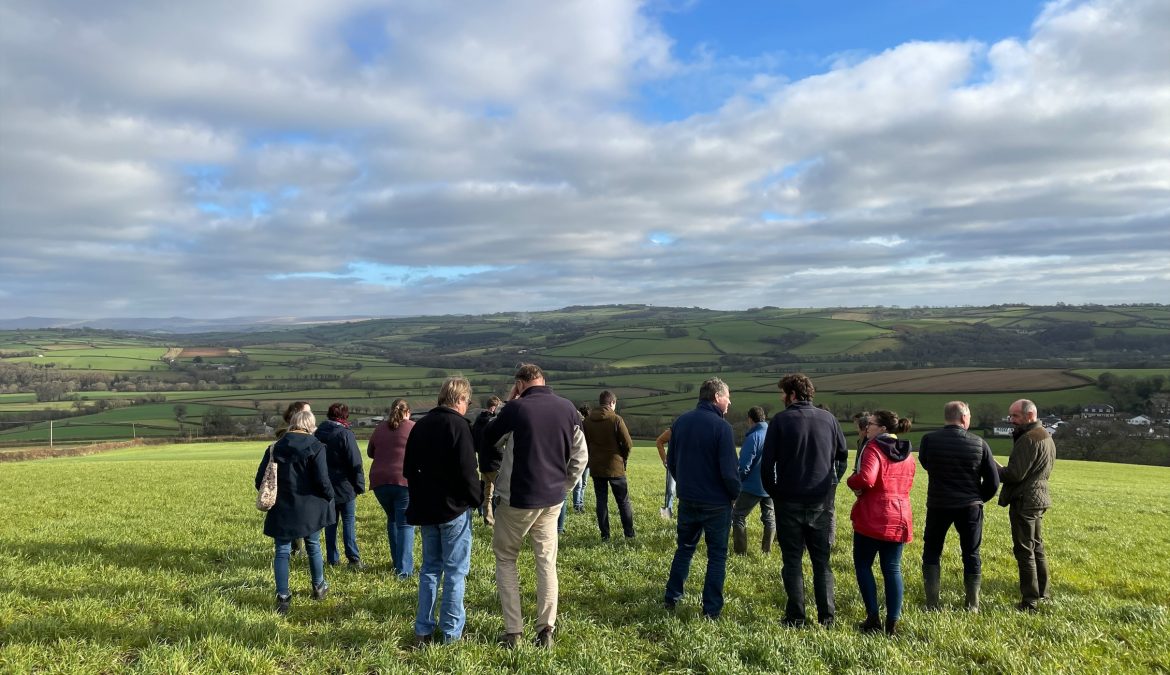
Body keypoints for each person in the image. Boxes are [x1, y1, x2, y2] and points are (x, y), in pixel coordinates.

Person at [482, 363, 587, 649]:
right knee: (546, 562)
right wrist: (564, 487)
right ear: (543, 380)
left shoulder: (516, 410)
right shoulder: (568, 409)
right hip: (552, 500)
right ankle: (546, 631)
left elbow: (487, 438)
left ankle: (513, 632)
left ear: (519, 384)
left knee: (506, 559)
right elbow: (580, 456)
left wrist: (509, 403)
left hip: (517, 498)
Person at [760, 373, 848, 627]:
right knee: (822, 562)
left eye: (783, 393)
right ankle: (827, 618)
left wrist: (775, 491)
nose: (781, 398)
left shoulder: (781, 421)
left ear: (793, 394)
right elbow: (842, 456)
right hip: (821, 501)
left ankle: (796, 617)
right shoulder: (829, 419)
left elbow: (767, 465)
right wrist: (832, 484)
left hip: (788, 500)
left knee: (792, 561)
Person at [403, 378, 484, 645]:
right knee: (455, 572)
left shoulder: (420, 426)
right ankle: (451, 632)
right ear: (460, 399)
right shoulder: (458, 426)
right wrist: (477, 499)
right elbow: (467, 471)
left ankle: (422, 631)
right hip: (454, 510)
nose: (467, 407)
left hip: (426, 509)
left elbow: (408, 470)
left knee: (429, 569)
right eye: (467, 402)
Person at [663, 377, 740, 620]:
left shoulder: (681, 422)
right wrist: (734, 495)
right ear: (717, 397)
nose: (730, 402)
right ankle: (711, 609)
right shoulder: (723, 428)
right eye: (728, 397)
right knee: (717, 555)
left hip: (688, 499)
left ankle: (672, 597)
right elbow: (729, 471)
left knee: (684, 549)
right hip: (716, 503)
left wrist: (684, 485)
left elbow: (672, 462)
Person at [918, 400, 1000, 612]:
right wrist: (977, 497)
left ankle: (932, 603)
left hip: (938, 503)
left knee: (932, 550)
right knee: (971, 552)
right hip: (970, 506)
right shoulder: (979, 443)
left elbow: (926, 463)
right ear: (964, 417)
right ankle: (972, 604)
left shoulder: (929, 440)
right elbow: (993, 481)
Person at [255, 408, 335, 614]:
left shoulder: (273, 448)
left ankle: (283, 596)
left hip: (282, 507)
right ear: (310, 426)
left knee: (282, 551)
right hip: (311, 507)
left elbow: (259, 481)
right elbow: (322, 480)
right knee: (313, 545)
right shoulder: (317, 446)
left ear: (292, 424)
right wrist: (329, 496)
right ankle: (319, 587)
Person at [847, 410, 916, 635]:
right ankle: (893, 623)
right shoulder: (908, 453)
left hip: (873, 515)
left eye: (873, 424)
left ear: (883, 429)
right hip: (900, 515)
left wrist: (851, 480)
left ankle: (873, 618)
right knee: (893, 569)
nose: (868, 428)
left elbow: (867, 478)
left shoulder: (874, 448)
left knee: (864, 565)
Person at [999, 398, 1056, 612]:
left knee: (1024, 550)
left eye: (1015, 416)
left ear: (1029, 415)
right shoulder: (1046, 436)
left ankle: (1030, 601)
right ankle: (1043, 593)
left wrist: (994, 469)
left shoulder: (1028, 439)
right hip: (1039, 497)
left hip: (1025, 499)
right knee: (1037, 547)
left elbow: (1015, 474)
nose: (1011, 420)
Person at [367, 398, 416, 579]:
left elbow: (370, 452)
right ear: (407, 412)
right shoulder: (412, 427)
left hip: (379, 480)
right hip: (403, 480)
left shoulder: (380, 428)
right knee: (405, 524)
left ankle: (397, 563)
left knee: (392, 520)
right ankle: (404, 571)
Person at [316, 402, 366, 569]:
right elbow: (355, 461)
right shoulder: (345, 434)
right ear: (344, 416)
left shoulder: (318, 433)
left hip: (324, 485)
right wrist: (359, 485)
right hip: (345, 486)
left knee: (330, 522)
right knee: (348, 521)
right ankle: (353, 558)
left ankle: (332, 559)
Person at [584, 391, 636, 541]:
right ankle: (629, 534)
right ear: (612, 403)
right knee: (623, 501)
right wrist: (623, 458)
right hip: (615, 467)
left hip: (596, 466)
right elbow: (628, 444)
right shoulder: (616, 419)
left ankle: (605, 535)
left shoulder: (587, 421)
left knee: (601, 501)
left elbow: (584, 444)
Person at [732, 406, 774, 555]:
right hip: (770, 485)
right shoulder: (773, 434)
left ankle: (740, 552)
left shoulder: (753, 437)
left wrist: (738, 483)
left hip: (752, 486)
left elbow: (744, 466)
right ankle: (766, 551)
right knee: (769, 519)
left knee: (738, 515)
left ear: (750, 419)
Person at [275, 401, 312, 556]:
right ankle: (297, 549)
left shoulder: (282, 436)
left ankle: (295, 549)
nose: (310, 415)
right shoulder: (289, 437)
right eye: (307, 412)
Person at [472, 395, 503, 526]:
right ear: (494, 407)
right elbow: (497, 444)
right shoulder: (494, 423)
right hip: (496, 463)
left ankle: (488, 519)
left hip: (483, 462)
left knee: (487, 494)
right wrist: (504, 456)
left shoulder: (477, 422)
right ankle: (499, 519)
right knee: (500, 493)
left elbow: (475, 443)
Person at [572, 403, 592, 514]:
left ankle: (579, 504)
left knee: (581, 484)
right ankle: (578, 506)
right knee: (580, 484)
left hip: (585, 459)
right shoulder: (579, 426)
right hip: (583, 459)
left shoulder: (585, 426)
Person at [656, 428, 675, 519]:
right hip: (673, 464)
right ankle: (667, 515)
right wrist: (665, 459)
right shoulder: (674, 430)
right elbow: (659, 441)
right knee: (670, 490)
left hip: (688, 465)